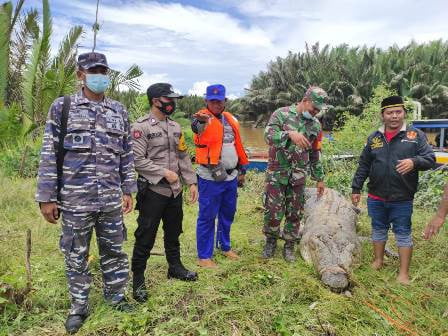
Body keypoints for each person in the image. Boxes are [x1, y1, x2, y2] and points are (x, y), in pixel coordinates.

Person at [36, 52, 137, 334]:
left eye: (103, 70)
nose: (100, 75)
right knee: (76, 254)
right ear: (80, 74)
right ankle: (79, 307)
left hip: (110, 199)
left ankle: (116, 297)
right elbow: (49, 153)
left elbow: (126, 154)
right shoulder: (63, 107)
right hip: (75, 199)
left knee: (114, 251)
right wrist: (46, 197)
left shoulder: (118, 110)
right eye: (93, 70)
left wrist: (128, 188)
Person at [351, 95, 435, 284]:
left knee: (403, 233)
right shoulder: (374, 138)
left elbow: (430, 159)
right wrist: (356, 187)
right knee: (378, 229)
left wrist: (414, 162)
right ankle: (378, 260)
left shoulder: (415, 136)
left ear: (404, 113)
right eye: (390, 112)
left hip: (402, 197)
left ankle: (403, 273)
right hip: (376, 196)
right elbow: (364, 164)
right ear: (383, 115)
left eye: (398, 112)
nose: (394, 116)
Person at [131, 83, 199, 302]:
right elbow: (137, 160)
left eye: (173, 100)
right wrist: (164, 173)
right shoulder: (141, 127)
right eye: (168, 100)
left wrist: (191, 182)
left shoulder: (175, 127)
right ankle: (138, 279)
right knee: (145, 235)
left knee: (173, 231)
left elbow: (183, 156)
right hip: (153, 191)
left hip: (175, 192)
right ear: (155, 101)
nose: (173, 103)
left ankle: (175, 267)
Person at [262, 86, 327, 262]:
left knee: (295, 212)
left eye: (318, 111)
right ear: (305, 101)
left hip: (299, 175)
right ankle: (270, 242)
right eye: (314, 108)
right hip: (277, 173)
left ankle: (289, 245)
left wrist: (319, 178)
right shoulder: (281, 114)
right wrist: (289, 134)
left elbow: (314, 153)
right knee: (273, 210)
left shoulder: (315, 125)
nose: (315, 113)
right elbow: (268, 136)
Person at [191, 84, 249, 268]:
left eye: (219, 100)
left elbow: (237, 147)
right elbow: (197, 128)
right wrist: (200, 122)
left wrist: (241, 171)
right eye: (212, 100)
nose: (216, 104)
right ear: (206, 101)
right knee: (207, 216)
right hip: (210, 177)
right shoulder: (203, 119)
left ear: (225, 101)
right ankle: (204, 256)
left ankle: (224, 246)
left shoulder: (230, 119)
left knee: (227, 213)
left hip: (231, 176)